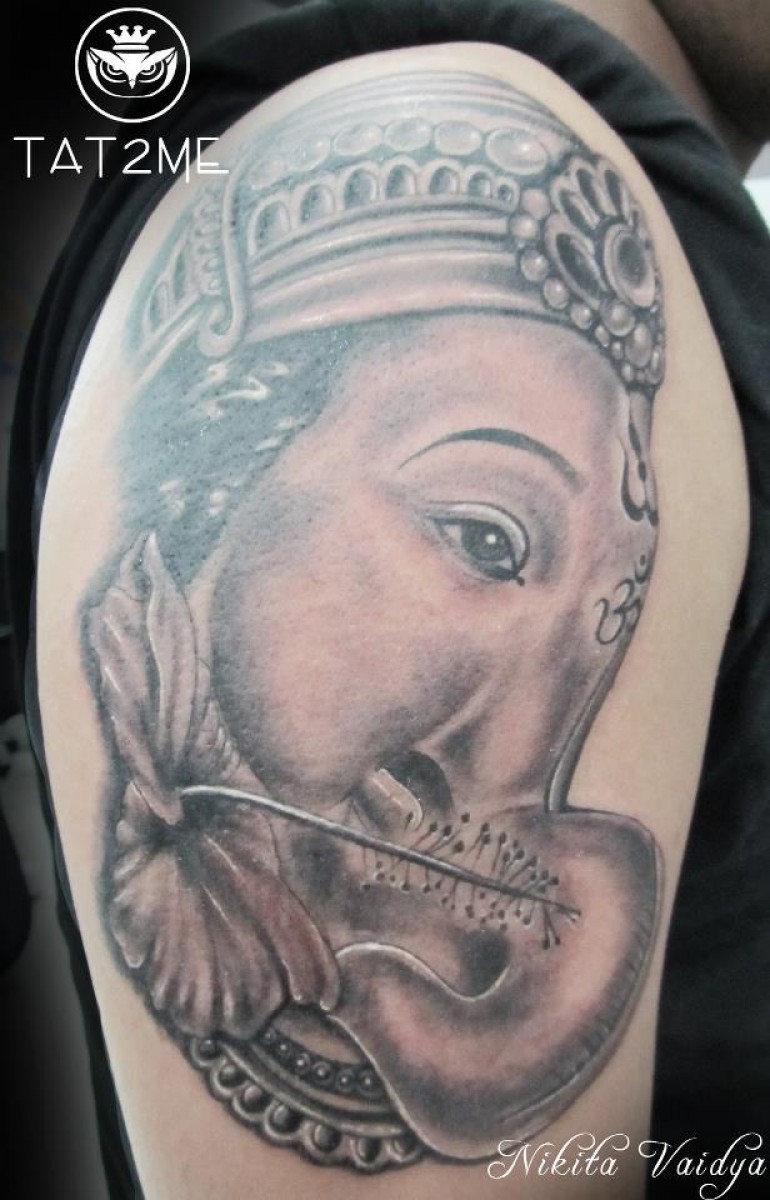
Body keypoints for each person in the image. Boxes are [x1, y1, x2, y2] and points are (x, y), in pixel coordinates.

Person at [8, 1, 770, 1196]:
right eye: (482, 536)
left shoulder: (659, 246)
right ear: (218, 481)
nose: (524, 767)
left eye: (614, 619)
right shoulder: (417, 137)